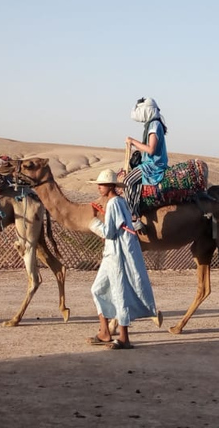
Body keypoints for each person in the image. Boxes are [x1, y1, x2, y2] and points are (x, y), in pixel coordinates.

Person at [87, 169, 162, 350]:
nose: (99, 187)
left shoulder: (114, 204)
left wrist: (93, 222)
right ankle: (104, 332)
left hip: (117, 254)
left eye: (102, 184)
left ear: (111, 186)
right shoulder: (118, 202)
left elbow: (109, 233)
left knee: (120, 292)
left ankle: (124, 338)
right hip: (111, 254)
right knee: (97, 289)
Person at [124, 97, 168, 230]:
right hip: (149, 163)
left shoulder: (154, 125)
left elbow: (151, 149)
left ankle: (133, 217)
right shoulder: (152, 124)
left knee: (128, 181)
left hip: (153, 165)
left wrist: (132, 141)